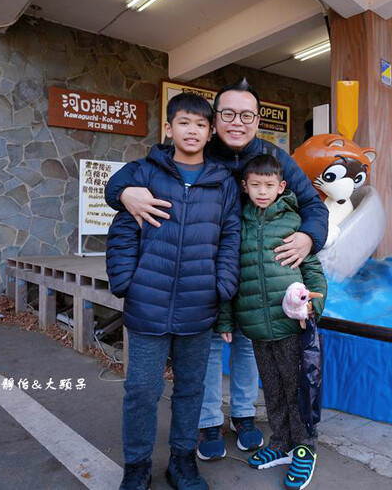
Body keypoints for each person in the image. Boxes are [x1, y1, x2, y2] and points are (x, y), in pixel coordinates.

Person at [105, 78, 329, 460]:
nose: (237, 122)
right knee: (209, 347)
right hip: (206, 274)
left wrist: (309, 237)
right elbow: (127, 180)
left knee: (247, 347)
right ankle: (209, 421)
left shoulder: (274, 158)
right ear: (215, 121)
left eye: (246, 115)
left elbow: (313, 206)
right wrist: (123, 192)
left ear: (257, 120)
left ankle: (244, 416)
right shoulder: (198, 149)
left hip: (257, 275)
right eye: (228, 114)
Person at [106, 92, 242, 490]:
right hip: (147, 303)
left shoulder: (222, 183)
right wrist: (126, 282)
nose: (192, 130)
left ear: (211, 131)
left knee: (191, 390)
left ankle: (182, 462)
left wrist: (222, 286)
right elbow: (122, 231)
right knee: (141, 390)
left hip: (199, 304)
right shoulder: (144, 173)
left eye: (201, 124)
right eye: (184, 122)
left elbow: (230, 237)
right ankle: (136, 465)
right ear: (168, 128)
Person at [217, 154, 327, 490]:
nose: (262, 191)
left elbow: (313, 269)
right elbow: (230, 274)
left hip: (291, 325)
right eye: (255, 185)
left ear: (281, 187)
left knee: (298, 389)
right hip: (256, 327)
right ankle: (280, 442)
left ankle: (304, 448)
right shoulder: (239, 224)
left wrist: (314, 306)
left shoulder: (293, 222)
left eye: (269, 185)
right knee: (273, 389)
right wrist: (226, 319)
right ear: (244, 186)